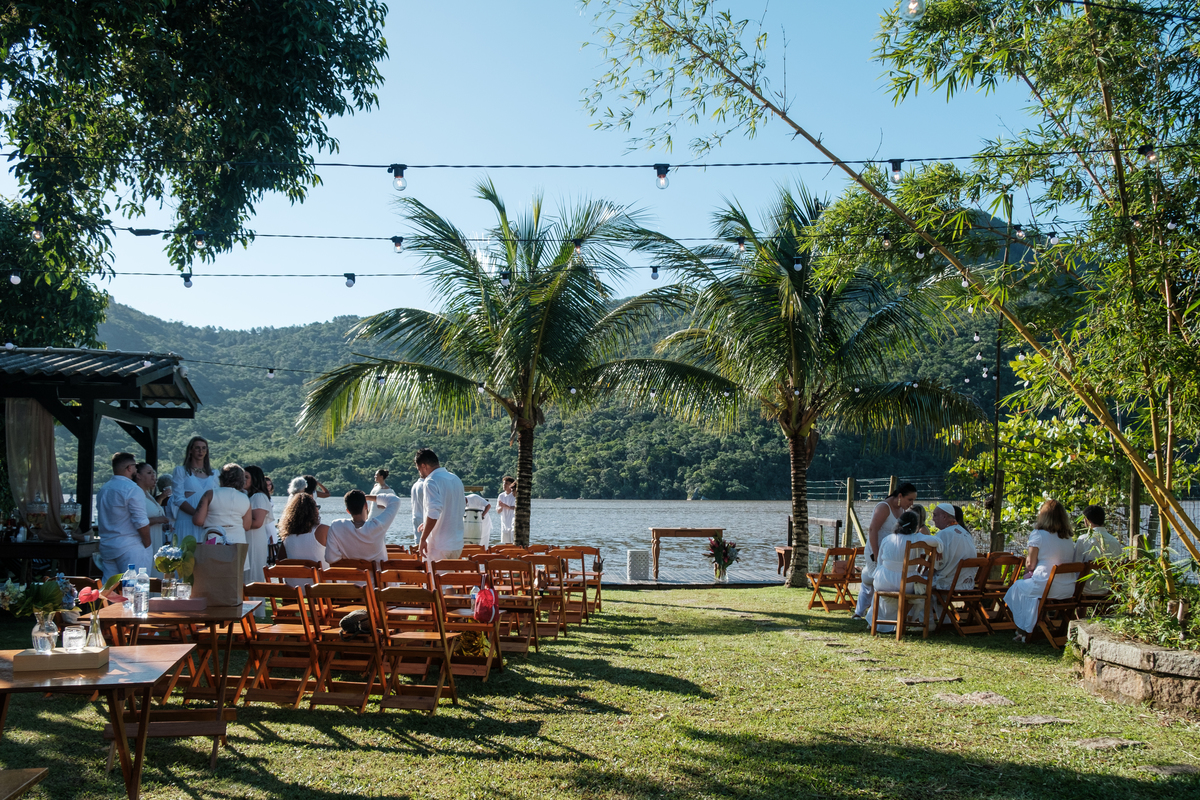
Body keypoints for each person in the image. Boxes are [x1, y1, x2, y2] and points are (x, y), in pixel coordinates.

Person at [1004, 499, 1079, 642]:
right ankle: (1029, 627)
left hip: (1046, 587)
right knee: (1027, 589)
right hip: (1068, 588)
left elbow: (1030, 564)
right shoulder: (1068, 538)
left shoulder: (1038, 534)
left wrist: (1027, 573)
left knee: (1017, 587)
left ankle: (1024, 630)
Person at [867, 509, 943, 633]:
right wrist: (939, 549)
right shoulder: (916, 538)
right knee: (918, 590)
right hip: (907, 582)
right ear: (915, 526)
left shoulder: (887, 539)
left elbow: (880, 562)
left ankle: (876, 622)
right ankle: (902, 620)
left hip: (884, 581)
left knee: (879, 585)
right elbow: (937, 541)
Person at [853, 482, 917, 619]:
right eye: (909, 499)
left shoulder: (902, 510)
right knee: (877, 579)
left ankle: (874, 613)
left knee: (876, 579)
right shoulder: (884, 507)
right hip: (875, 549)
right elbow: (872, 530)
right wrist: (876, 554)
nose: (911, 504)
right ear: (900, 496)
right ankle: (868, 614)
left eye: (913, 500)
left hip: (889, 553)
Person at [97, 452, 152, 582]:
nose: (136, 469)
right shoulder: (133, 489)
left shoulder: (103, 489)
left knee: (109, 589)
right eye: (135, 466)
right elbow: (140, 521)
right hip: (130, 546)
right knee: (136, 587)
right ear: (129, 468)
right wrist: (148, 544)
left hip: (108, 546)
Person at [414, 448, 464, 563]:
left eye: (418, 469)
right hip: (456, 544)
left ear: (423, 466)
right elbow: (456, 508)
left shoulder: (431, 481)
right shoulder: (456, 479)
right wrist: (427, 523)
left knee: (433, 575)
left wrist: (423, 539)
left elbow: (433, 513)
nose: (419, 473)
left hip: (439, 545)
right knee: (450, 575)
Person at [325, 489, 401, 564]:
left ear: (348, 511)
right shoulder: (377, 526)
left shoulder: (336, 526)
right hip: (377, 572)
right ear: (366, 506)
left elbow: (330, 559)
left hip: (351, 572)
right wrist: (367, 497)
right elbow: (395, 500)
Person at [168, 436, 219, 543]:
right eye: (197, 448)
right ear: (190, 450)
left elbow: (216, 498)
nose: (201, 451)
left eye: (204, 448)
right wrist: (197, 514)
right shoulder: (181, 471)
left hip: (207, 520)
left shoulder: (214, 474)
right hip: (187, 518)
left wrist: (205, 516)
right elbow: (178, 498)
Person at [193, 463, 252, 551]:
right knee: (237, 560)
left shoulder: (210, 494)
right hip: (238, 539)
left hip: (214, 537)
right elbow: (246, 526)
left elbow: (198, 520)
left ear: (222, 478)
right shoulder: (245, 498)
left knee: (212, 559)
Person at [277, 493, 329, 579]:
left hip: (294, 586)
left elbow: (280, 563)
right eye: (317, 507)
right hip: (321, 585)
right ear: (313, 511)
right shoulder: (323, 530)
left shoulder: (286, 537)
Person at [1074, 504, 1123, 594]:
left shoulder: (1083, 540)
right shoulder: (1115, 542)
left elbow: (1076, 566)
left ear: (1087, 521)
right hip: (1109, 591)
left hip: (1084, 590)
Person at [134, 462, 172, 576]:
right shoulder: (136, 495)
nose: (153, 477)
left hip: (156, 540)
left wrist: (163, 525)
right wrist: (158, 520)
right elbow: (135, 521)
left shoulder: (148, 494)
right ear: (138, 476)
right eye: (149, 473)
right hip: (144, 542)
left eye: (154, 474)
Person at [931, 502, 978, 591]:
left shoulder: (943, 534)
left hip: (948, 584)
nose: (933, 519)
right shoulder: (966, 533)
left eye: (935, 515)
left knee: (915, 583)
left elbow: (935, 565)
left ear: (944, 516)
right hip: (967, 585)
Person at [244, 465, 273, 584]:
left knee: (252, 574)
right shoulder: (248, 495)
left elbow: (257, 522)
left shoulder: (258, 496)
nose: (243, 480)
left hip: (254, 540)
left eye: (246, 477)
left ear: (255, 479)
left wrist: (234, 523)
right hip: (249, 539)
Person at [496, 476, 517, 545]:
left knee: (514, 543)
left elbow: (517, 508)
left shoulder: (514, 495)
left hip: (512, 522)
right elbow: (498, 511)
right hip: (504, 523)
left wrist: (507, 507)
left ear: (511, 485)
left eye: (506, 483)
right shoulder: (501, 496)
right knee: (507, 544)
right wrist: (501, 507)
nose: (504, 485)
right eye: (503, 483)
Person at [410, 471, 425, 546]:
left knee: (418, 542)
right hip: (424, 518)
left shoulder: (415, 485)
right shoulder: (426, 485)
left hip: (415, 516)